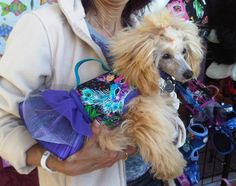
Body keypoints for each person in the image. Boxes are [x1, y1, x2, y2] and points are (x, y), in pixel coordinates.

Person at [0, 0, 167, 186]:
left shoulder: (144, 28)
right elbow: (3, 119)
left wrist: (171, 131)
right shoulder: (43, 27)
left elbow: (157, 97)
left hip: (150, 175)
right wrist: (52, 161)